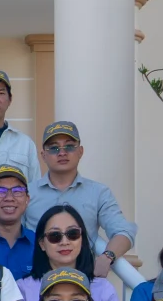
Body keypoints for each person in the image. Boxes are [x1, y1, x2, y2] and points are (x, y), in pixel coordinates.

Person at [27, 120, 137, 279]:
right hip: (36, 277)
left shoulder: (98, 193)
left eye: (69, 147)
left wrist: (107, 256)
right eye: (54, 148)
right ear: (43, 155)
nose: (62, 153)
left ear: (80, 151)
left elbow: (123, 231)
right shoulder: (27, 193)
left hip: (82, 278)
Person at [19, 204, 125, 301]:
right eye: (55, 236)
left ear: (82, 239)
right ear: (42, 243)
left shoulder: (104, 288)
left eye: (73, 234)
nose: (65, 242)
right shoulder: (22, 288)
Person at [0, 163, 36, 281]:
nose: (9, 198)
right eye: (0, 191)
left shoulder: (40, 244)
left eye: (17, 191)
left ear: (27, 199)